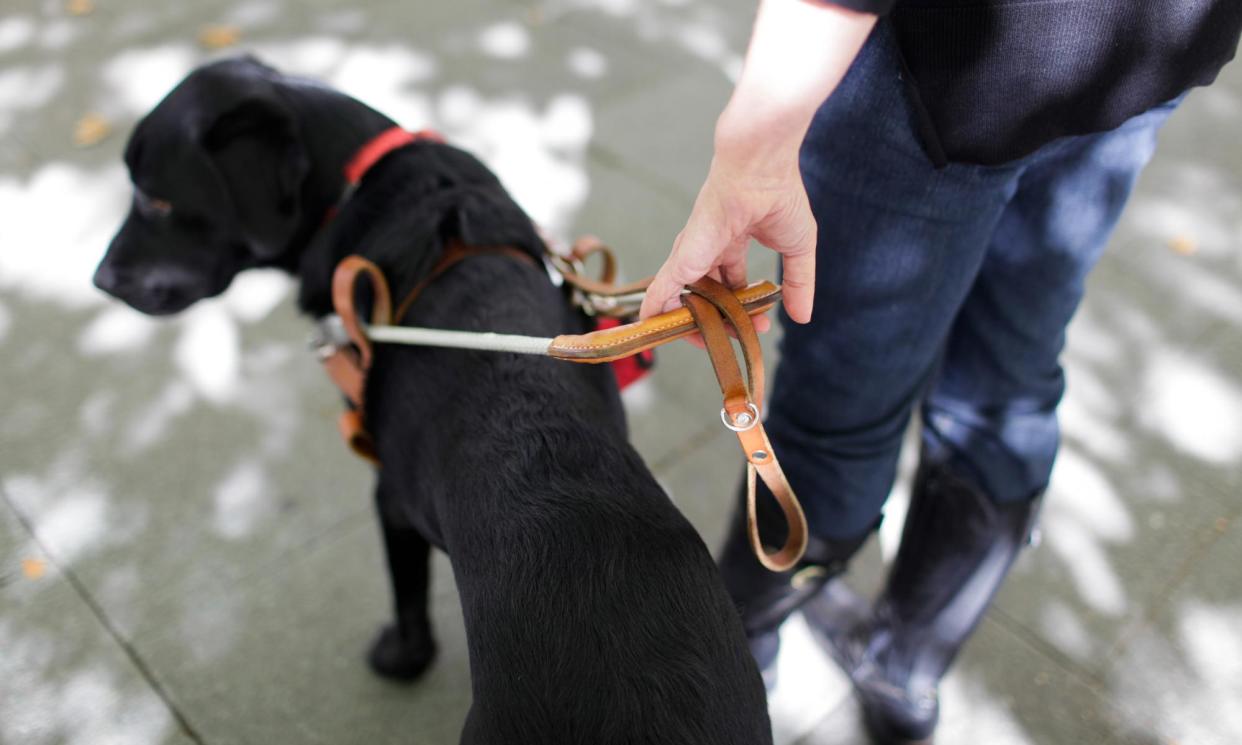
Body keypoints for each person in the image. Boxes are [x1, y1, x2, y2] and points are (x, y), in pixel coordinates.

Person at [638, 1, 1242, 742]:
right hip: (1146, 49)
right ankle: (905, 673)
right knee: (1010, 385)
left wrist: (756, 146)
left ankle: (736, 659)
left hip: (951, 71)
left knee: (842, 413)